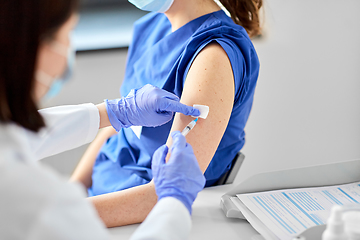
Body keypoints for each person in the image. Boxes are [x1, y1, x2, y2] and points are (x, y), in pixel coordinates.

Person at [0, 0, 205, 239]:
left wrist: (112, 113)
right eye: (68, 33)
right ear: (34, 47)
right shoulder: (40, 207)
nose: (68, 46)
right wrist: (174, 200)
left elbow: (18, 134)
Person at [71, 0, 262, 227]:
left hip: (140, 219)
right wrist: (73, 189)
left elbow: (161, 196)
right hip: (96, 198)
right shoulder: (152, 26)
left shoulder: (213, 54)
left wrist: (67, 214)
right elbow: (119, 128)